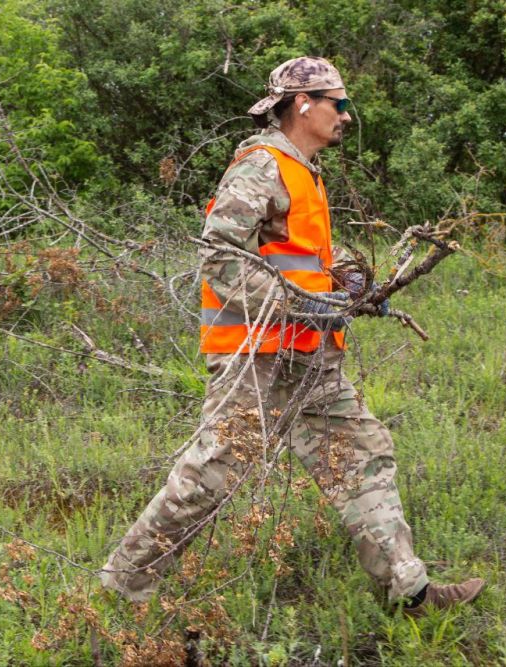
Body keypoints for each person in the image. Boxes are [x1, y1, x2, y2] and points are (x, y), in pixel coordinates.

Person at [100, 56, 484, 616]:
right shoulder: (262, 165)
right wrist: (307, 304)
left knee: (362, 456)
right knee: (211, 476)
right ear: (303, 104)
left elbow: (287, 260)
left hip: (309, 359)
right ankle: (122, 588)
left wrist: (345, 287)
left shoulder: (305, 169)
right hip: (255, 358)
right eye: (339, 103)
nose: (346, 116)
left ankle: (411, 594)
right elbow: (219, 260)